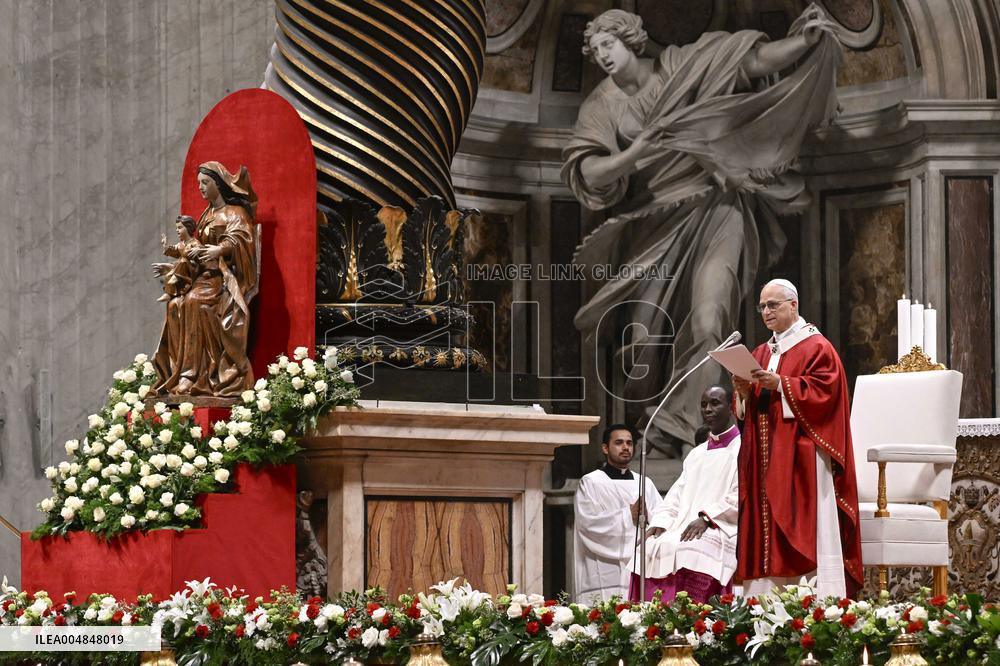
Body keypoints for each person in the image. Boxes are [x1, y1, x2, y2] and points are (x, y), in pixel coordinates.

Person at [563, 7, 845, 453]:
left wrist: (805, 42)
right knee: (640, 348)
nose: (603, 56)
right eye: (595, 49)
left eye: (608, 44)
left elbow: (750, 61)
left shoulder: (681, 64)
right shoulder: (602, 104)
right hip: (653, 224)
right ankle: (659, 424)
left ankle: (696, 431)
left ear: (631, 40)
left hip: (718, 207)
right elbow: (590, 172)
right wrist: (635, 152)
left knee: (711, 320)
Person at [733, 279, 863, 598]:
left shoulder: (817, 347)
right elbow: (745, 413)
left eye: (773, 305)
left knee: (802, 528)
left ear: (794, 305)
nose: (766, 311)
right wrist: (742, 394)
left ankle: (816, 601)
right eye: (762, 306)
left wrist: (781, 384)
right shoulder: (760, 352)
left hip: (801, 457)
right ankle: (762, 605)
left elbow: (827, 395)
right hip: (765, 457)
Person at [152, 161, 258, 397]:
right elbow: (194, 248)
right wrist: (173, 267)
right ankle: (180, 372)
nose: (200, 187)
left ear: (218, 184)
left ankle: (193, 375)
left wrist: (218, 250)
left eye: (205, 182)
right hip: (202, 276)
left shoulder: (234, 213)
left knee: (192, 302)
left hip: (224, 279)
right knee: (174, 305)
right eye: (198, 183)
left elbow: (243, 240)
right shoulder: (206, 215)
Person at [628, 385, 740, 603]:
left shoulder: (742, 448)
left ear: (732, 407)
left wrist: (707, 518)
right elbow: (676, 495)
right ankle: (652, 622)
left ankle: (693, 619)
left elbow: (740, 495)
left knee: (693, 548)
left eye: (715, 403)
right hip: (685, 524)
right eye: (704, 405)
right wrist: (660, 522)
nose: (707, 409)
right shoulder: (696, 454)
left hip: (721, 525)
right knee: (647, 548)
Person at [574, 424, 661, 602]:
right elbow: (587, 524)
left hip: (639, 567)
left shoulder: (645, 482)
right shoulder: (591, 482)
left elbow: (662, 521)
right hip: (603, 569)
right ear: (605, 448)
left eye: (629, 443)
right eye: (619, 443)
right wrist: (628, 515)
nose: (625, 447)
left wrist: (649, 516)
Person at [156, 215, 202, 302]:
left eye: (180, 227)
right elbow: (174, 250)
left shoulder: (195, 243)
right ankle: (171, 289)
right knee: (175, 269)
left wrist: (199, 250)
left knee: (183, 261)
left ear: (188, 228)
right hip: (182, 270)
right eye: (177, 228)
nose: (177, 230)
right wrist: (165, 246)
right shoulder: (181, 244)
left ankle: (169, 293)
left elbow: (201, 253)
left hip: (193, 271)